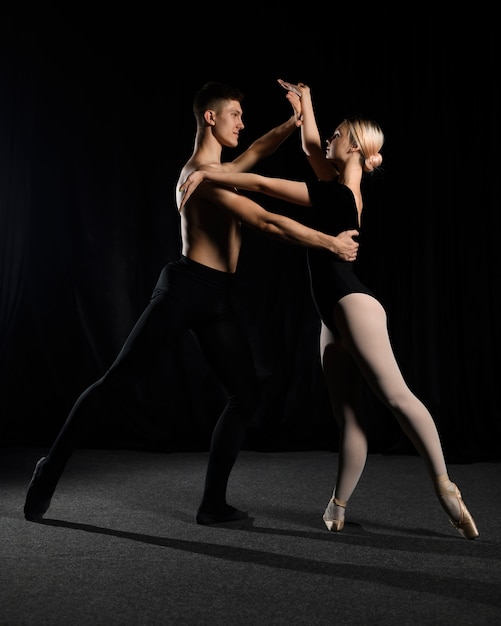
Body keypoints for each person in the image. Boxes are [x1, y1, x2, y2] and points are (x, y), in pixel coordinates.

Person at [23, 81, 360, 526]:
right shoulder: (197, 176)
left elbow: (256, 152)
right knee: (116, 383)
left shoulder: (219, 169)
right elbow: (266, 222)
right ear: (210, 118)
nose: (242, 122)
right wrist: (329, 244)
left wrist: (292, 122)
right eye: (235, 115)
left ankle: (212, 504)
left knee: (245, 394)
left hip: (217, 297)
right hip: (186, 289)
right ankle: (51, 468)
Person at [178, 79, 479, 539]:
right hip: (332, 318)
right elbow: (312, 143)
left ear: (355, 147)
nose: (328, 140)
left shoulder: (337, 195)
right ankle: (337, 508)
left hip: (353, 305)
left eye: (339, 134)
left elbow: (261, 183)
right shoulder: (336, 184)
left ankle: (445, 485)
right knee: (350, 418)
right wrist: (306, 104)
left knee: (397, 397)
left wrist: (209, 173)